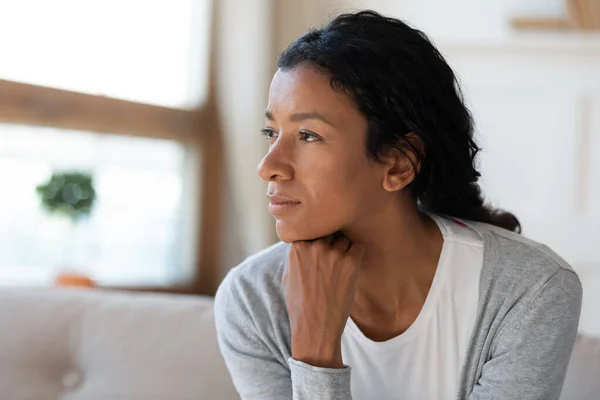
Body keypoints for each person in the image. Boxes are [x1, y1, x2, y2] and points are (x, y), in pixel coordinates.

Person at [214, 10, 582, 400]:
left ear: (398, 163)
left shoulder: (530, 291)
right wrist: (314, 353)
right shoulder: (252, 299)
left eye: (307, 135)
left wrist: (317, 356)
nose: (267, 166)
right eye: (271, 132)